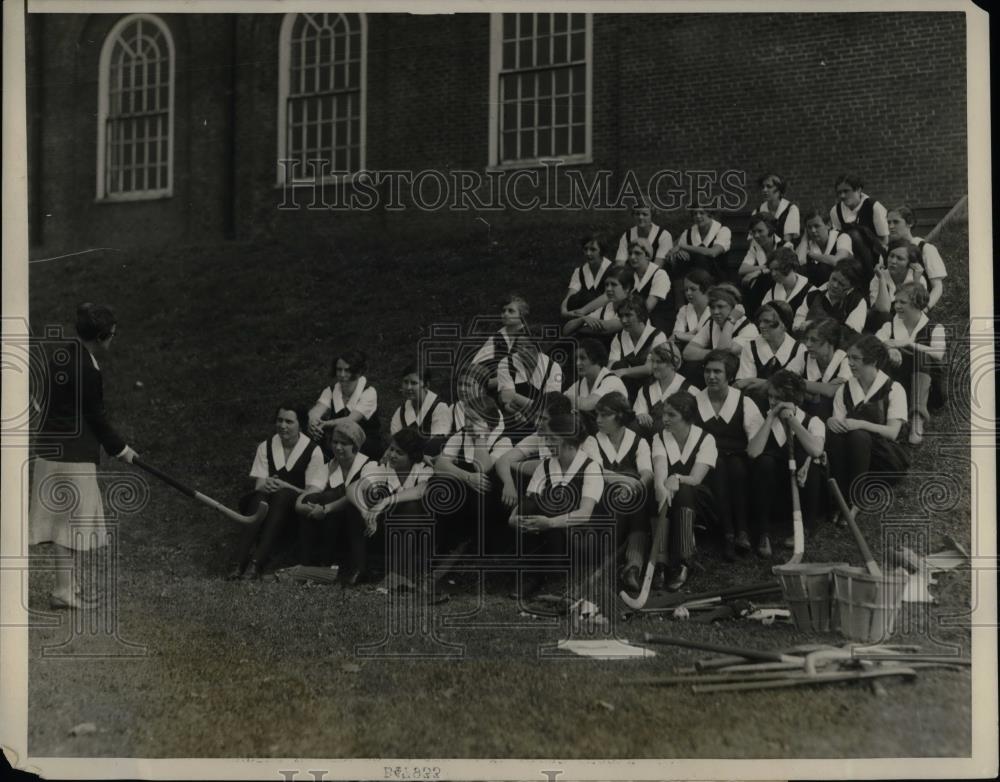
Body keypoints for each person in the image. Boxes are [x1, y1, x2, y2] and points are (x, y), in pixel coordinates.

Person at [29, 303, 139, 610]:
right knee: (68, 528)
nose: (113, 340)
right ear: (101, 336)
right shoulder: (88, 370)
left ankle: (68, 585)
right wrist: (122, 449)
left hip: (49, 454)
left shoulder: (60, 355)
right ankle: (63, 591)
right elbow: (97, 419)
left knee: (65, 525)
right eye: (112, 335)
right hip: (72, 458)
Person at [509, 413, 606, 599]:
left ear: (569, 441)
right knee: (531, 508)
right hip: (549, 527)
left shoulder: (590, 467)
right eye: (546, 438)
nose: (546, 443)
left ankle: (557, 579)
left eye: (552, 439)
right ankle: (533, 576)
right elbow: (528, 501)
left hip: (582, 536)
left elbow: (585, 513)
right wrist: (513, 517)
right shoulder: (545, 466)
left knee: (551, 516)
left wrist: (550, 523)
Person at [228, 403, 327, 580]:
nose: (282, 426)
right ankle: (238, 562)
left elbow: (312, 493)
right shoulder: (265, 446)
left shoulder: (313, 450)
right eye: (279, 420)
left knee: (282, 495)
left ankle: (256, 562)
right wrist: (268, 484)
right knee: (260, 497)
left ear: (300, 424)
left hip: (295, 510)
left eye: (289, 421)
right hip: (267, 503)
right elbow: (258, 484)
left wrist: (285, 486)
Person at [825, 335, 910, 520]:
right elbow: (839, 422)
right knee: (835, 434)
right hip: (853, 455)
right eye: (848, 358)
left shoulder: (893, 389)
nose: (850, 363)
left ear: (872, 360)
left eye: (855, 358)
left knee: (859, 436)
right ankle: (840, 500)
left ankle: (856, 500)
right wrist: (831, 421)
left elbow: (892, 432)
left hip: (885, 457)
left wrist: (861, 423)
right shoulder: (845, 389)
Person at [580, 393, 654, 594]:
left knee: (637, 494)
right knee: (627, 485)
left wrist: (633, 486)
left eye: (605, 415)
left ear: (620, 416)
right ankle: (626, 563)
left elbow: (647, 473)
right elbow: (598, 472)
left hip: (629, 501)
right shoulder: (592, 441)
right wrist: (628, 481)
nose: (598, 420)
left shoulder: (639, 441)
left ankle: (632, 566)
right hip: (601, 505)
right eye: (597, 415)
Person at [694, 350, 765, 559]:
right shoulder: (695, 400)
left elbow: (756, 440)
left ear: (730, 376)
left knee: (735, 468)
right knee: (718, 467)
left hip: (738, 457)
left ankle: (742, 531)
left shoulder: (744, 402)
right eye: (707, 371)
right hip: (708, 460)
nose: (711, 376)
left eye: (717, 371)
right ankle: (728, 534)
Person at [747, 370, 827, 552]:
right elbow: (753, 452)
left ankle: (805, 529)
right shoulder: (760, 418)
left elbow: (816, 450)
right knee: (764, 461)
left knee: (810, 460)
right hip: (770, 494)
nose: (772, 402)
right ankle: (763, 533)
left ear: (793, 400)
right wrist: (770, 417)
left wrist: (792, 420)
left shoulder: (813, 421)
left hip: (800, 493)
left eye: (778, 398)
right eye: (770, 396)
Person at [295, 420, 381, 585]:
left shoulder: (369, 465)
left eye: (344, 443)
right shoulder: (327, 467)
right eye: (335, 442)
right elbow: (311, 491)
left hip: (360, 522)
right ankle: (307, 563)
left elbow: (355, 494)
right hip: (331, 522)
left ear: (355, 446)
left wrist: (325, 508)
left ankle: (356, 568)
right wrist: (303, 505)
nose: (338, 447)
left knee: (333, 496)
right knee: (313, 499)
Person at [649, 392, 718, 591]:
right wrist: (661, 488)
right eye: (664, 414)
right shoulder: (659, 437)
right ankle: (660, 563)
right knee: (654, 490)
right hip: (669, 497)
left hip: (699, 500)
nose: (665, 419)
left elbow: (696, 478)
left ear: (687, 418)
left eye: (672, 415)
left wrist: (677, 478)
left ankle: (683, 561)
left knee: (685, 491)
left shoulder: (706, 439)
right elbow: (660, 468)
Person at [431, 396, 513, 554]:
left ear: (487, 422)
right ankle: (444, 542)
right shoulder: (461, 435)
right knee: (439, 483)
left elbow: (482, 468)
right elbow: (440, 464)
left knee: (480, 494)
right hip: (464, 491)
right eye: (466, 417)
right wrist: (467, 476)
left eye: (473, 419)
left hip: (487, 500)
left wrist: (480, 437)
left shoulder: (503, 441)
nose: (467, 423)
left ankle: (478, 545)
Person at [875, 283, 947, 445]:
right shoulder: (890, 325)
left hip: (929, 387)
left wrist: (907, 343)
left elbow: (938, 353)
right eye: (896, 302)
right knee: (882, 354)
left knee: (922, 355)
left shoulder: (935, 328)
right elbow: (873, 344)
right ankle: (887, 413)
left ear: (916, 304)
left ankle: (917, 418)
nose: (897, 306)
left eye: (902, 302)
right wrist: (889, 349)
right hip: (902, 383)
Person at [359, 428, 435, 579]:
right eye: (392, 449)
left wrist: (386, 501)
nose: (392, 455)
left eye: (399, 453)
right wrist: (366, 511)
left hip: (417, 532)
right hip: (383, 528)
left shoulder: (422, 469)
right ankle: (363, 568)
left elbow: (420, 490)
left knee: (411, 506)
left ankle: (398, 573)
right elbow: (353, 488)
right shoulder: (382, 468)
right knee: (365, 500)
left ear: (412, 457)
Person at [495, 392, 573, 511]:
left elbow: (548, 466)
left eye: (544, 419)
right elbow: (503, 460)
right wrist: (508, 484)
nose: (537, 422)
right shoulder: (539, 436)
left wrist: (514, 464)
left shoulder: (576, 439)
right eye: (537, 417)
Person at [307, 349, 383, 460]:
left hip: (365, 447)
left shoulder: (369, 392)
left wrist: (324, 424)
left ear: (358, 371)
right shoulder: (331, 390)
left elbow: (351, 420)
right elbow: (317, 410)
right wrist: (313, 421)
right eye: (339, 370)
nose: (342, 375)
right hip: (339, 446)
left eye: (347, 370)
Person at [735, 301, 807, 406]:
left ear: (784, 324)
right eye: (760, 321)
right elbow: (745, 386)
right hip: (754, 404)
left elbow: (791, 389)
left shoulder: (799, 350)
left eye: (768, 321)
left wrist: (753, 381)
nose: (761, 325)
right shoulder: (751, 346)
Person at [496, 335, 563, 439]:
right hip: (511, 418)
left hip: (541, 422)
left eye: (528, 347)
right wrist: (517, 410)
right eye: (519, 346)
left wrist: (516, 399)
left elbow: (549, 405)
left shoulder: (553, 367)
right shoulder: (506, 362)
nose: (523, 351)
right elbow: (505, 399)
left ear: (538, 348)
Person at [607, 295, 668, 402]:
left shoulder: (657, 336)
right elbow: (611, 365)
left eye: (628, 315)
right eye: (621, 316)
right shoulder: (619, 337)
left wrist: (624, 371)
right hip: (625, 388)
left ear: (641, 316)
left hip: (650, 388)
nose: (624, 320)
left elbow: (649, 368)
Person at [886, 206, 947, 311]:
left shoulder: (925, 248)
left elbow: (937, 287)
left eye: (896, 222)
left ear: (910, 223)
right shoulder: (889, 251)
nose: (891, 226)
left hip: (918, 304)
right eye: (889, 222)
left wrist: (925, 309)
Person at [829, 174, 889, 280]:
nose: (842, 196)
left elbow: (884, 240)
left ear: (858, 189)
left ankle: (870, 278)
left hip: (874, 254)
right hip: (849, 256)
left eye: (846, 191)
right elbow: (839, 238)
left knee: (855, 234)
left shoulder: (874, 206)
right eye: (839, 192)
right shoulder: (836, 211)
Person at [682, 284, 758, 368]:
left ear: (734, 307)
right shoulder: (712, 323)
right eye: (712, 307)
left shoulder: (749, 329)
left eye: (720, 306)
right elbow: (687, 352)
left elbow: (723, 351)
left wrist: (731, 320)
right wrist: (714, 352)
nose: (715, 312)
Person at [633, 341, 696, 439]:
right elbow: (638, 411)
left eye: (659, 362)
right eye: (653, 361)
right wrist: (641, 415)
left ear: (672, 364)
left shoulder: (689, 390)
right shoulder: (646, 389)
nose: (654, 366)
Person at [665, 205, 732, 295]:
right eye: (695, 213)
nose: (698, 216)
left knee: (701, 258)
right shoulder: (688, 233)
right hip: (689, 275)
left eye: (702, 213)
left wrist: (684, 247)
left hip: (716, 276)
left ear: (710, 214)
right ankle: (679, 304)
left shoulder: (723, 230)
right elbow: (671, 253)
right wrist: (679, 252)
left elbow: (713, 253)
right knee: (680, 258)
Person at [388, 364, 453, 456]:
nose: (408, 387)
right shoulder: (401, 411)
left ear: (426, 385)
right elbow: (394, 443)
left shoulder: (439, 408)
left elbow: (436, 443)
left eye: (414, 383)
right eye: (405, 382)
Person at [470, 295, 530, 393]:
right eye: (503, 311)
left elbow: (531, 369)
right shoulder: (497, 337)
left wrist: (498, 381)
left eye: (511, 311)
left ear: (522, 315)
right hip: (495, 389)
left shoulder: (529, 337)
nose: (505, 314)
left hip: (522, 388)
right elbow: (476, 364)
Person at [796, 257, 868, 336]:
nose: (835, 285)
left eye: (841, 284)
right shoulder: (814, 294)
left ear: (851, 287)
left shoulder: (857, 303)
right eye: (833, 279)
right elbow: (798, 321)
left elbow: (850, 335)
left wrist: (815, 325)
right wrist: (800, 326)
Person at [562, 265, 636, 342]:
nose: (608, 289)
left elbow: (607, 328)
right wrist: (582, 319)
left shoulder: (633, 306)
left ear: (627, 288)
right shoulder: (608, 307)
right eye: (607, 285)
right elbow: (565, 330)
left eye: (613, 285)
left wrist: (580, 328)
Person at [801, 318, 853, 421]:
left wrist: (799, 385)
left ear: (831, 342)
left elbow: (830, 391)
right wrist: (813, 395)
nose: (807, 344)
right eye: (807, 339)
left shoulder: (845, 360)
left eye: (814, 340)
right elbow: (784, 380)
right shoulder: (804, 356)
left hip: (834, 420)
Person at [739, 213, 790, 313]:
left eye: (760, 231)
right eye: (754, 232)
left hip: (782, 285)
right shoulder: (755, 246)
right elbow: (742, 269)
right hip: (762, 286)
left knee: (763, 279)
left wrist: (759, 272)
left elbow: (781, 268)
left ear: (770, 230)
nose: (756, 235)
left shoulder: (786, 245)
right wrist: (763, 268)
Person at [869, 240, 928, 328]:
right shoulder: (879, 276)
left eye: (900, 258)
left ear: (910, 263)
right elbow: (883, 310)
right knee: (884, 317)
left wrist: (916, 281)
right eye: (891, 256)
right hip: (882, 324)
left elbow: (917, 311)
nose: (893, 261)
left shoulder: (917, 278)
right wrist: (881, 279)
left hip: (906, 324)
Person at [567, 338, 629, 421]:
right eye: (576, 359)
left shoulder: (612, 381)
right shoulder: (582, 381)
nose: (577, 363)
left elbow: (587, 404)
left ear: (596, 359)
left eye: (582, 358)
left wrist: (566, 399)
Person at [797, 208, 854, 287]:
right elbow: (799, 263)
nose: (813, 230)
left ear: (828, 225)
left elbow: (837, 261)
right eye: (809, 227)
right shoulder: (808, 243)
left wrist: (812, 255)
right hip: (816, 290)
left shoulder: (842, 237)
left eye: (816, 226)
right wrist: (804, 238)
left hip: (840, 288)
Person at [561, 234, 614, 319]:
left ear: (602, 251)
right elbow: (570, 296)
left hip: (607, 314)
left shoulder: (613, 269)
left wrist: (582, 311)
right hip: (583, 316)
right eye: (585, 249)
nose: (588, 253)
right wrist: (564, 311)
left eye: (593, 249)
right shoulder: (579, 272)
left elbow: (607, 296)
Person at [626, 239, 674, 332]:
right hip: (635, 321)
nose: (632, 257)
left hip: (659, 323)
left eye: (637, 253)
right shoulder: (630, 275)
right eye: (630, 253)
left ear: (647, 256)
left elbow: (648, 307)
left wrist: (620, 321)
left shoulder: (660, 275)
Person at [761, 247, 815, 317]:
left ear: (790, 266)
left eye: (777, 269)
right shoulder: (771, 292)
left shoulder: (811, 292)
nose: (773, 274)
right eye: (771, 270)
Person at [753, 173, 801, 244]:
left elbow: (787, 241)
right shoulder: (757, 211)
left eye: (769, 186)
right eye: (763, 187)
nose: (764, 190)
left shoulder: (791, 209)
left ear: (779, 189)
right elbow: (753, 240)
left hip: (786, 252)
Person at [673, 268, 714, 346]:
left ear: (706, 289)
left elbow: (710, 340)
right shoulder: (684, 310)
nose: (688, 293)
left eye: (693, 289)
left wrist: (682, 335)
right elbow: (674, 337)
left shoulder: (715, 310)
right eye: (686, 290)